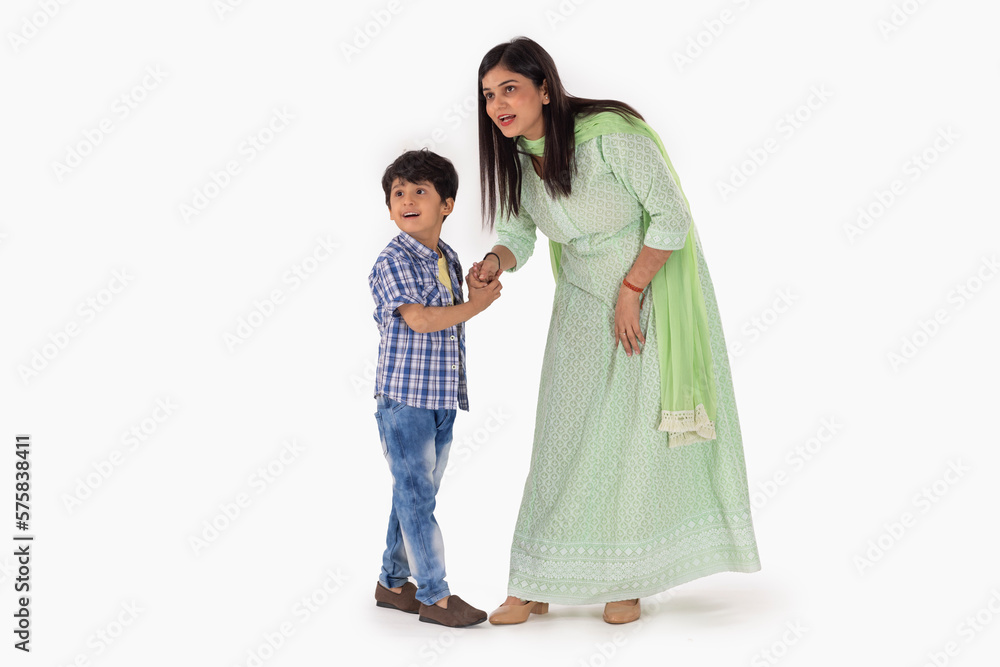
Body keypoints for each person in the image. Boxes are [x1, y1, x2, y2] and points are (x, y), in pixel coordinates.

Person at [470, 37, 761, 625]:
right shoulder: (519, 160)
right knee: (559, 441)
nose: (497, 105)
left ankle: (626, 580)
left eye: (509, 89)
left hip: (650, 298)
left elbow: (672, 215)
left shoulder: (610, 137)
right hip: (581, 302)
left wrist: (631, 290)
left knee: (629, 443)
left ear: (544, 89)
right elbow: (519, 233)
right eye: (488, 95)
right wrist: (496, 261)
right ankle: (533, 581)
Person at [369, 149, 502, 627]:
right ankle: (434, 596)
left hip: (442, 396)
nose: (407, 200)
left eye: (420, 191)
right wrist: (478, 307)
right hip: (405, 400)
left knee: (414, 494)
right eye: (398, 193)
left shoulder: (447, 257)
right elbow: (422, 320)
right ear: (390, 207)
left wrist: (475, 291)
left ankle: (392, 582)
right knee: (416, 495)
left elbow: (449, 318)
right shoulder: (393, 260)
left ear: (446, 204)